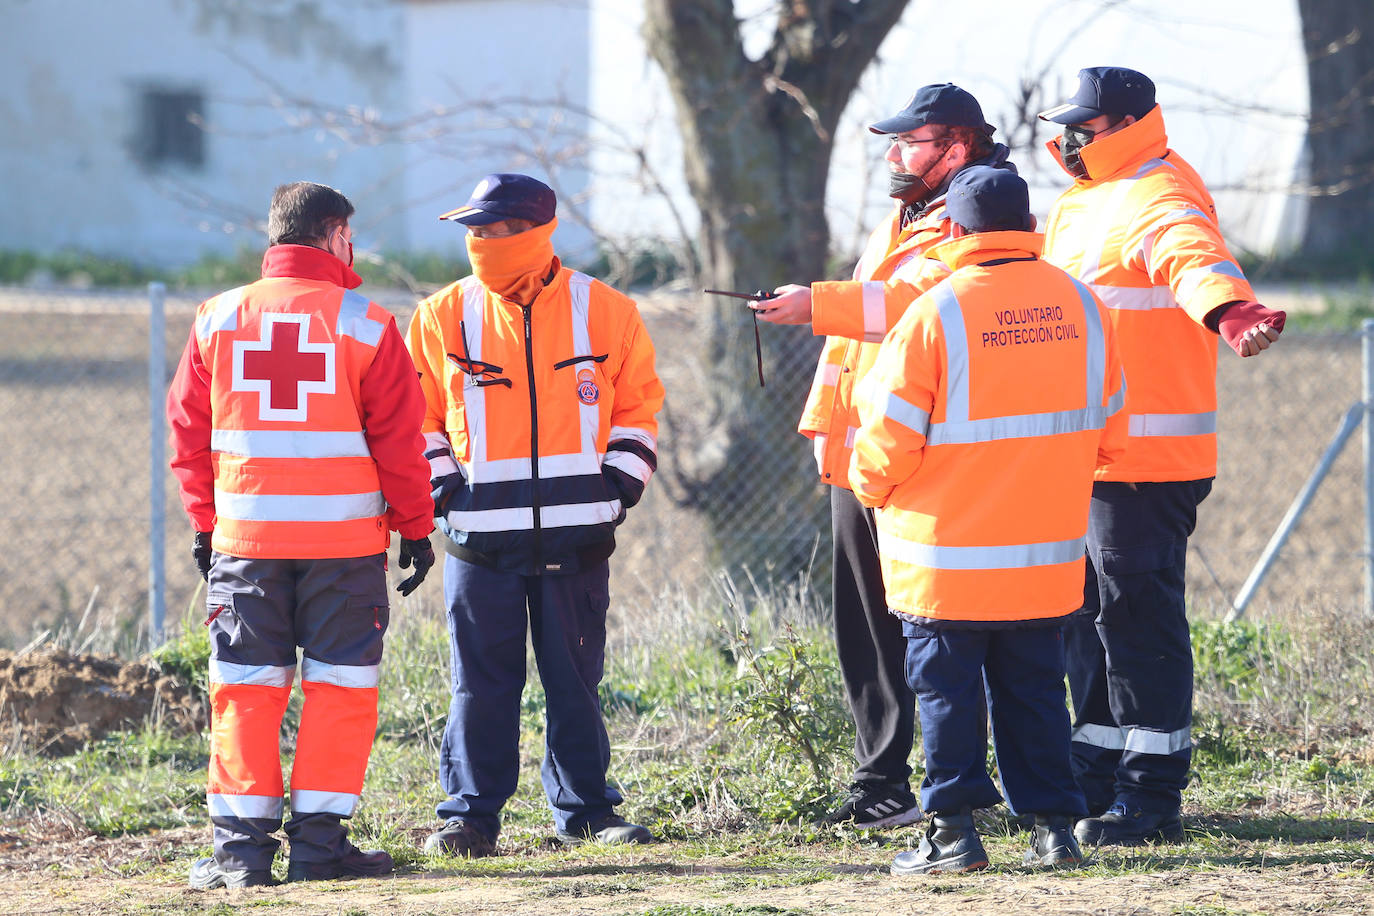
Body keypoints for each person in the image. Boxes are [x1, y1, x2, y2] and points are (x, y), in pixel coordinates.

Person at [849, 165, 1128, 874]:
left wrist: (868, 487)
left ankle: (953, 835)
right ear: (1031, 227)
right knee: (1036, 693)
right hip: (1044, 561)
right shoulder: (1084, 307)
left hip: (946, 562)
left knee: (947, 697)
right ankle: (1055, 832)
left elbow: (885, 442)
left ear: (954, 230)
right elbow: (1113, 432)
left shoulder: (935, 313)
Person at [754, 83, 1016, 827]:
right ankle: (885, 784)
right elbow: (864, 334)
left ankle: (945, 789)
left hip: (922, 454)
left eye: (911, 142)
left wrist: (816, 302)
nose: (895, 155)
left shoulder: (977, 213)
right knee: (870, 623)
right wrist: (826, 427)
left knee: (933, 625)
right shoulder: (909, 212)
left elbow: (918, 306)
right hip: (863, 445)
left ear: (956, 148)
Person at [1037, 67, 1287, 847]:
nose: (1072, 137)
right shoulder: (1083, 203)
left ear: (1129, 124)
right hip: (1089, 457)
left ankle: (1151, 801)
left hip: (1147, 458)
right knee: (1089, 620)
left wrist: (1233, 310)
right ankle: (1098, 779)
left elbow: (1189, 253)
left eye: (1088, 125)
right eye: (1069, 124)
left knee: (1137, 622)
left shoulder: (1158, 191)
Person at [167, 181, 436, 888]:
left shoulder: (216, 319)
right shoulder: (368, 324)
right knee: (340, 691)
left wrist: (205, 523)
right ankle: (319, 851)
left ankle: (240, 859)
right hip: (344, 551)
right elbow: (400, 442)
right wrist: (415, 526)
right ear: (335, 234)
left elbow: (188, 436)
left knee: (246, 691)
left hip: (245, 548)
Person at [406, 173, 665, 858]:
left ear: (536, 232)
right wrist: (447, 497)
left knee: (575, 680)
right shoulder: (440, 315)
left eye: (493, 230)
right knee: (480, 685)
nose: (480, 243)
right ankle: (469, 818)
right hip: (478, 542)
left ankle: (587, 813)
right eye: (473, 232)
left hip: (578, 539)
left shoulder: (606, 310)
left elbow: (638, 410)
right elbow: (417, 421)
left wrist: (617, 490)